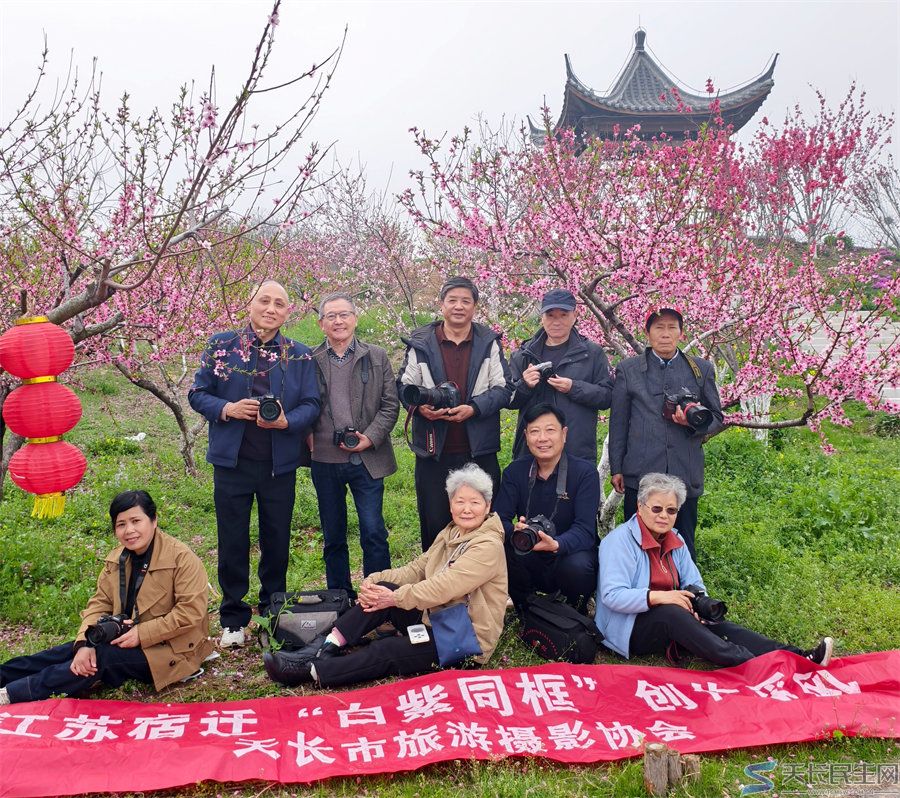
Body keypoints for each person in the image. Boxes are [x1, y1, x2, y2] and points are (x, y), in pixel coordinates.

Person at [263, 463, 508, 688]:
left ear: (487, 506)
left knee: (388, 649)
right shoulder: (451, 531)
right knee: (385, 587)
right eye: (459, 501)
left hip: (465, 638)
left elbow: (444, 587)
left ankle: (311, 670)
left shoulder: (487, 545)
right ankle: (325, 645)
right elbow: (418, 569)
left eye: (475, 503)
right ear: (450, 504)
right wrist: (375, 580)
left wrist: (394, 598)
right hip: (436, 616)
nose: (466, 509)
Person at [188, 280, 320, 648]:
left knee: (276, 538)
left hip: (280, 463)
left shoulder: (299, 355)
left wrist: (287, 422)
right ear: (249, 304)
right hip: (232, 462)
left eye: (280, 303)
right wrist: (227, 409)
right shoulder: (221, 346)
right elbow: (197, 394)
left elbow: (311, 404)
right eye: (265, 300)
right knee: (232, 539)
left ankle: (272, 609)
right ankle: (233, 617)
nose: (271, 308)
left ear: (288, 312)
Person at [595, 472, 834, 667]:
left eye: (671, 510)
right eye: (656, 508)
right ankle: (746, 662)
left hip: (672, 618)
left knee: (718, 625)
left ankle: (800, 657)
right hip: (630, 628)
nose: (663, 516)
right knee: (673, 613)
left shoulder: (674, 538)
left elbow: (693, 579)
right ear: (640, 506)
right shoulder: (618, 542)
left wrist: (699, 603)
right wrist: (664, 597)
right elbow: (612, 595)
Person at [0, 491, 213, 705]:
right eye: (121, 524)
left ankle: (10, 695)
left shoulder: (182, 558)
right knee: (67, 651)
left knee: (101, 658)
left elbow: (190, 612)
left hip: (172, 649)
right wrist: (85, 642)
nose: (129, 530)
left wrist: (142, 634)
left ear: (154, 520)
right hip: (124, 636)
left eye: (136, 521)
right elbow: (99, 603)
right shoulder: (117, 559)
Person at [397, 276, 512, 550]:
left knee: (480, 523)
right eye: (452, 300)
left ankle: (477, 584)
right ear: (441, 305)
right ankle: (436, 586)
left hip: (478, 448)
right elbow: (403, 385)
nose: (458, 306)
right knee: (434, 521)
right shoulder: (421, 342)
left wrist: (473, 408)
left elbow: (504, 389)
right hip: (433, 449)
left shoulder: (488, 342)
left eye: (466, 301)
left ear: (475, 307)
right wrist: (419, 407)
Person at [608, 307, 723, 559]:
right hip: (641, 471)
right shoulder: (628, 370)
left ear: (681, 333)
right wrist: (617, 467)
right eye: (659, 328)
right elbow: (618, 423)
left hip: (684, 470)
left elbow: (717, 418)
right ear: (647, 333)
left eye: (672, 328)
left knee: (683, 544)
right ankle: (641, 595)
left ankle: (686, 593)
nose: (665, 334)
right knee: (637, 544)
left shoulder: (700, 369)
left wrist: (692, 423)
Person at [309, 292, 400, 600]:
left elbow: (390, 405)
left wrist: (370, 437)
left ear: (355, 319)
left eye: (344, 314)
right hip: (325, 459)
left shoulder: (377, 356)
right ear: (321, 324)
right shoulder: (309, 360)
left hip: (368, 458)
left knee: (374, 532)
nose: (338, 321)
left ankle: (377, 596)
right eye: (331, 316)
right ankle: (339, 597)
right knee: (333, 535)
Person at [493, 403, 600, 613]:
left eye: (550, 430)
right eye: (534, 431)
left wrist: (557, 544)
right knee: (500, 549)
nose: (542, 438)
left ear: (564, 434)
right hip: (529, 549)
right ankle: (527, 607)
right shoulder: (515, 472)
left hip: (566, 552)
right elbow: (498, 520)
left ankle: (574, 609)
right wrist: (513, 530)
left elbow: (585, 531)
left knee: (579, 566)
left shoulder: (585, 473)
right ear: (526, 435)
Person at [509, 289, 612, 462]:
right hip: (531, 451)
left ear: (575, 315)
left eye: (563, 315)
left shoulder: (592, 353)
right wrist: (524, 385)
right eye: (550, 315)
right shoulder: (523, 355)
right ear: (542, 317)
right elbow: (508, 400)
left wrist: (574, 387)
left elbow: (607, 397)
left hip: (576, 450)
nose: (556, 322)